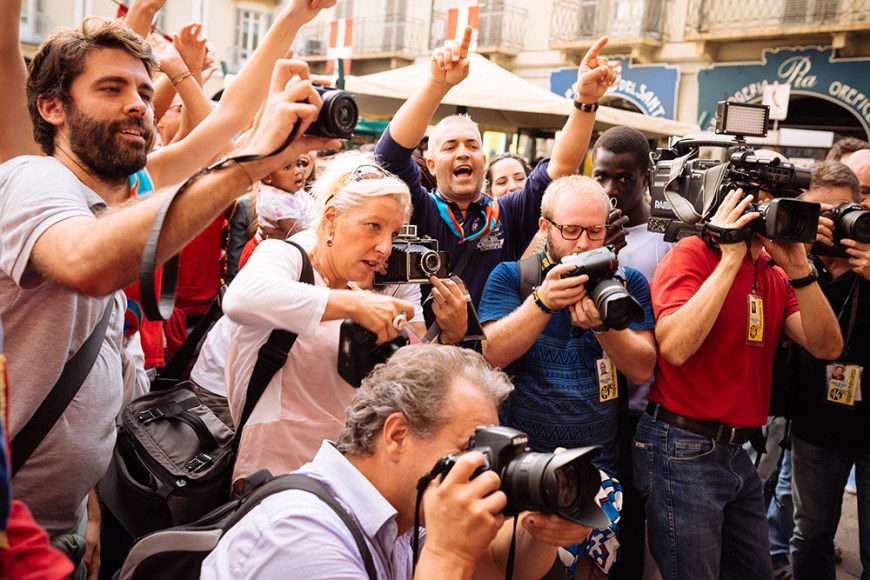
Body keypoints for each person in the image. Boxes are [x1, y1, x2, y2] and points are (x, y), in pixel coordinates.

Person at [0, 16, 337, 575]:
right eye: (112, 89)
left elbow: (227, 121)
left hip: (63, 524)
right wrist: (250, 160)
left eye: (143, 91)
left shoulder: (122, 192)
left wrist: (293, 15)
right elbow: (86, 262)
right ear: (52, 108)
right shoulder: (33, 179)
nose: (138, 104)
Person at [201, 345, 593, 579]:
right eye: (470, 447)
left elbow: (496, 564)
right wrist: (447, 556)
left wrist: (538, 529)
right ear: (396, 435)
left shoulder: (392, 516)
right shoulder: (300, 534)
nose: (480, 469)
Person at [634, 183, 843, 579]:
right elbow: (675, 348)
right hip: (680, 447)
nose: (770, 211)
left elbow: (827, 346)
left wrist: (800, 270)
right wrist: (730, 259)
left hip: (736, 450)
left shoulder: (774, 270)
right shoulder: (691, 254)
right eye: (761, 198)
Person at [222, 152, 470, 485]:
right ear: (332, 217)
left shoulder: (358, 292)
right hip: (273, 482)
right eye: (373, 227)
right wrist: (354, 304)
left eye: (394, 234)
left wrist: (450, 335)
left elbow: (411, 380)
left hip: (340, 481)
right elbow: (241, 298)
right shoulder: (286, 256)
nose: (384, 247)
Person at [479, 175, 655, 576]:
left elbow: (643, 367)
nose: (583, 244)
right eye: (571, 230)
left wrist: (604, 327)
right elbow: (491, 354)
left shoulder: (629, 283)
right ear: (545, 227)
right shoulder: (513, 278)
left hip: (598, 475)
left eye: (595, 231)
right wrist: (542, 303)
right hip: (521, 473)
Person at [375, 28, 616, 316]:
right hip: (430, 351)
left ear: (483, 160)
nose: (462, 152)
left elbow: (561, 167)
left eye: (471, 145)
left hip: (497, 350)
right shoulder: (419, 207)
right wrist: (437, 85)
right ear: (430, 164)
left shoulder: (507, 214)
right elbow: (389, 155)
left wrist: (585, 100)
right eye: (450, 147)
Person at [788, 161, 870, 579]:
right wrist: (798, 257)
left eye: (840, 212)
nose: (831, 224)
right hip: (814, 426)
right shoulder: (793, 264)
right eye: (819, 214)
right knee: (809, 536)